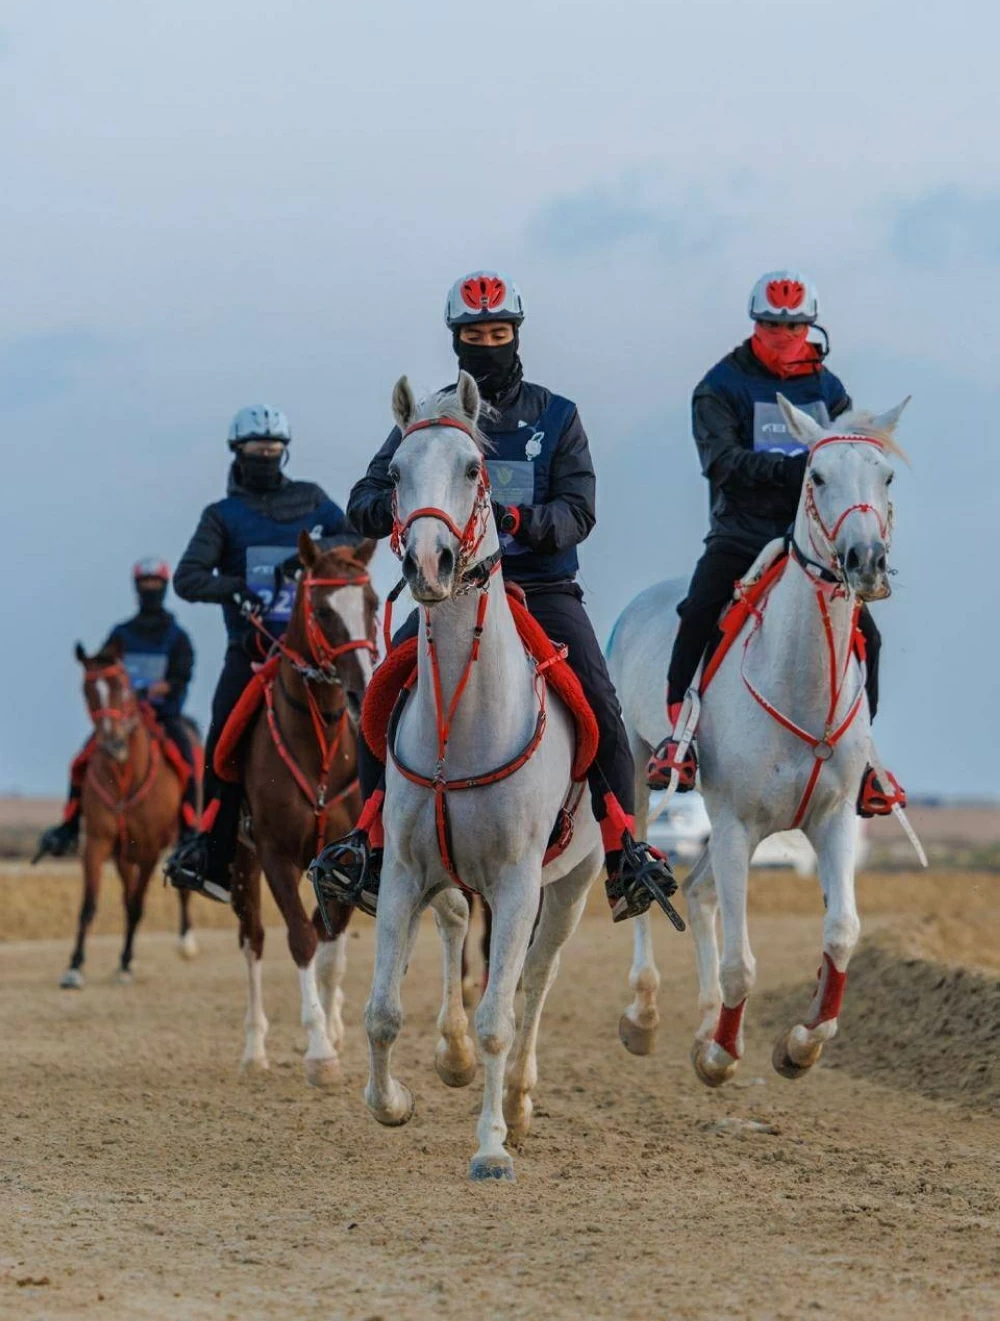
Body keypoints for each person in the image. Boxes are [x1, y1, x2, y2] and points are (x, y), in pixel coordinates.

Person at [309, 270, 677, 924]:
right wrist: (401, 510)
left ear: (516, 334)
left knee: (601, 703)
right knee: (380, 695)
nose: (488, 342)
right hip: (451, 597)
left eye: (498, 332)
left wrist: (522, 523)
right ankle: (369, 838)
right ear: (456, 340)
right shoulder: (427, 419)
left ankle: (623, 847)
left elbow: (579, 509)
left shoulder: (557, 415)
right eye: (474, 334)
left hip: (542, 588)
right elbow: (365, 496)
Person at [646, 271, 905, 817]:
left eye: (793, 326)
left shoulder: (828, 389)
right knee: (697, 613)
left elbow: (849, 459)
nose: (783, 335)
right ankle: (679, 736)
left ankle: (864, 762)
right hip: (741, 533)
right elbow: (721, 463)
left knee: (870, 636)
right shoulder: (720, 387)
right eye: (771, 325)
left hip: (814, 542)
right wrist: (799, 470)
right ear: (754, 325)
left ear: (810, 326)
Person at [164, 405, 350, 902]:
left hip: (320, 654)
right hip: (250, 653)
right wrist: (233, 588)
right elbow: (187, 578)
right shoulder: (221, 517)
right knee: (221, 740)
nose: (265, 458)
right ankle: (214, 853)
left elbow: (353, 532)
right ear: (238, 453)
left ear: (284, 451)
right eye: (255, 450)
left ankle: (376, 845)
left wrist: (308, 551)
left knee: (373, 720)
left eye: (272, 450)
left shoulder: (310, 499)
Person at [35, 558, 198, 859]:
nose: (150, 589)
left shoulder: (178, 637)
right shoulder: (121, 633)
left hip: (163, 716)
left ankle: (190, 830)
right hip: (123, 719)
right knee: (81, 761)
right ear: (136, 587)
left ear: (163, 587)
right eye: (145, 583)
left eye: (155, 584)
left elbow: (182, 675)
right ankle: (69, 825)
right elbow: (104, 667)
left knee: (188, 762)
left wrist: (154, 689)